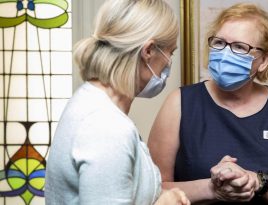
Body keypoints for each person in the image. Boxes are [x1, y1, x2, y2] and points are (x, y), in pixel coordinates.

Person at [148, 3, 268, 205]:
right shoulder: (180, 103)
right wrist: (212, 188)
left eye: (239, 47)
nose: (226, 53)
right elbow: (152, 190)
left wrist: (257, 181)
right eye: (219, 43)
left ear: (264, 59)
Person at [45, 0, 190, 204]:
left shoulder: (90, 100)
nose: (168, 63)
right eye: (170, 53)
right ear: (148, 51)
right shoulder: (107, 127)